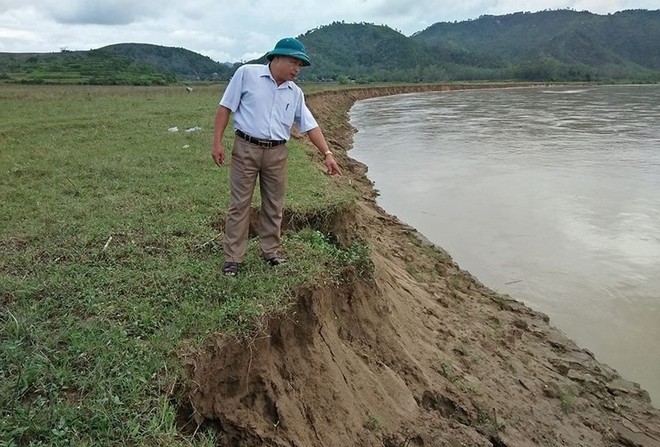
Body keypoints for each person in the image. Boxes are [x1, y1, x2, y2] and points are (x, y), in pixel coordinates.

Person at [212, 37, 342, 277]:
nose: (297, 69)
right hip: (246, 148)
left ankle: (270, 250)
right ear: (277, 58)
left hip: (277, 152)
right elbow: (225, 107)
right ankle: (233, 258)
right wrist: (217, 141)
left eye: (300, 65)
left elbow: (309, 125)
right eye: (294, 62)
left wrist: (327, 153)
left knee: (274, 204)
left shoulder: (295, 93)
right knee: (239, 204)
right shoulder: (247, 74)